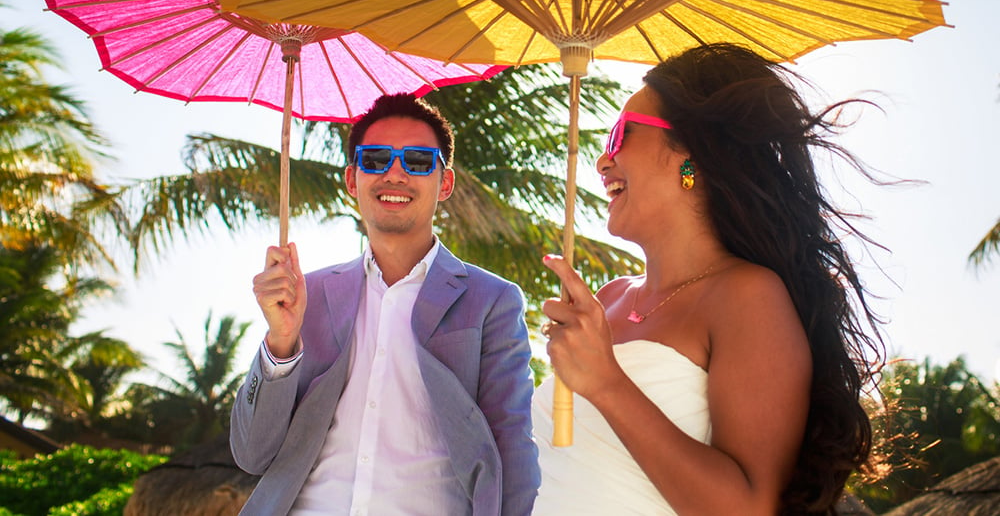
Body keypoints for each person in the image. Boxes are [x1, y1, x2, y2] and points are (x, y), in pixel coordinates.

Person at [532, 43, 885, 515]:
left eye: (622, 135)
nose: (602, 160)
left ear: (692, 155)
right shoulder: (608, 297)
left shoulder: (748, 296)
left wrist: (605, 382)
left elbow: (748, 507)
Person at [230, 93, 540, 516]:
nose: (395, 173)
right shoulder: (307, 295)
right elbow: (252, 453)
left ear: (444, 182)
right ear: (352, 179)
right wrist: (280, 343)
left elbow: (513, 449)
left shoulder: (492, 301)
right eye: (375, 159)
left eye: (417, 160)